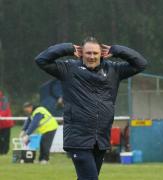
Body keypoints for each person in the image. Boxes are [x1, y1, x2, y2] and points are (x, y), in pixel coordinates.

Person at [35, 37, 147, 179]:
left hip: (100, 139)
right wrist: (67, 48)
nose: (92, 57)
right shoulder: (68, 69)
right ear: (81, 53)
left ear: (102, 54)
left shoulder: (114, 70)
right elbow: (41, 60)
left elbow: (141, 64)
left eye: (95, 53)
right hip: (78, 138)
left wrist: (117, 50)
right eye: (88, 53)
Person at [0, 90, 15, 155]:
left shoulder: (4, 101)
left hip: (6, 123)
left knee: (5, 138)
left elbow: (4, 112)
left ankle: (4, 152)